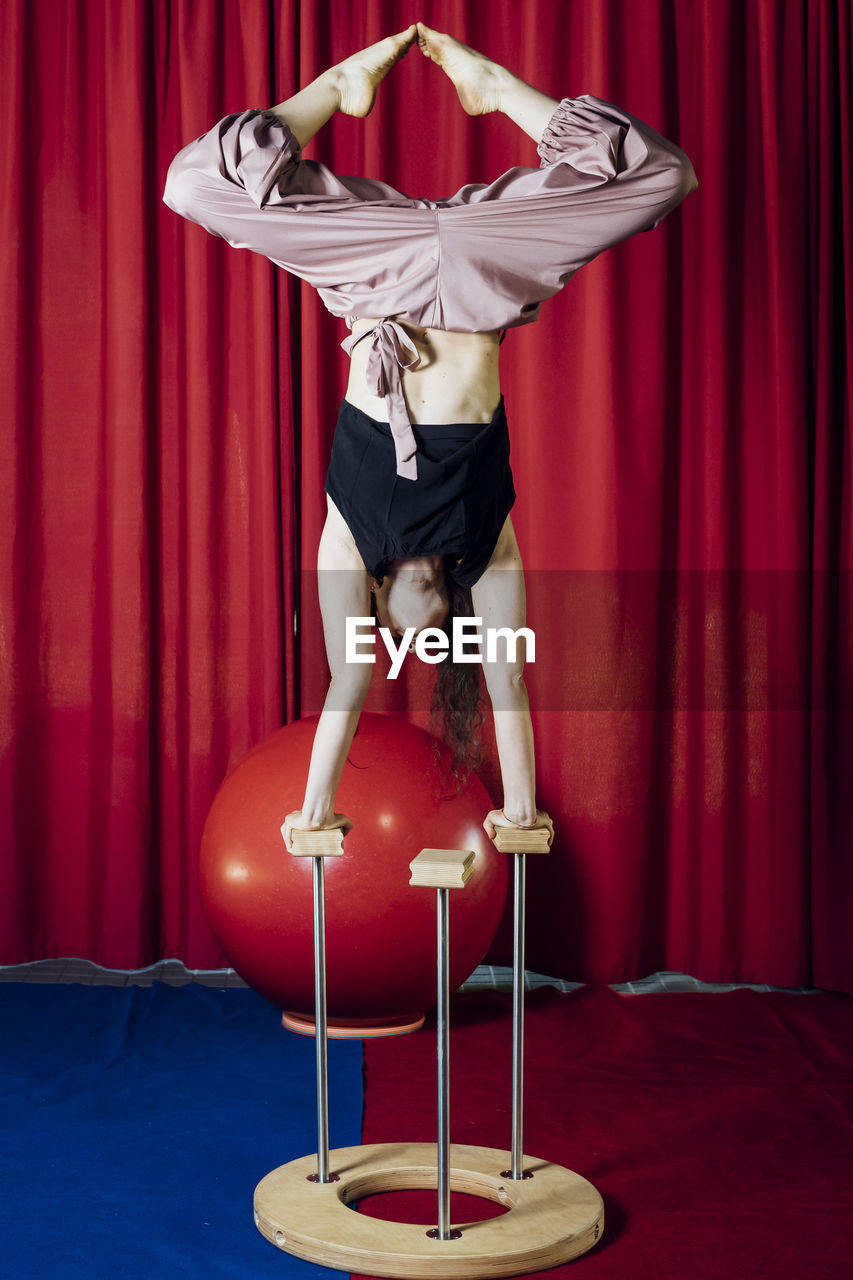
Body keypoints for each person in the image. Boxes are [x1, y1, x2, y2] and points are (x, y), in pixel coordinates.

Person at [164, 22, 697, 851]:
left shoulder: (350, 546)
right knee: (662, 176)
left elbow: (348, 677)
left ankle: (355, 92)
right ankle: (470, 90)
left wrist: (314, 808)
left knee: (193, 186)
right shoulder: (484, 548)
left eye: (397, 640)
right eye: (435, 639)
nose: (414, 643)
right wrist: (519, 804)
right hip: (487, 269)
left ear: (379, 610)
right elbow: (507, 677)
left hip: (375, 268)